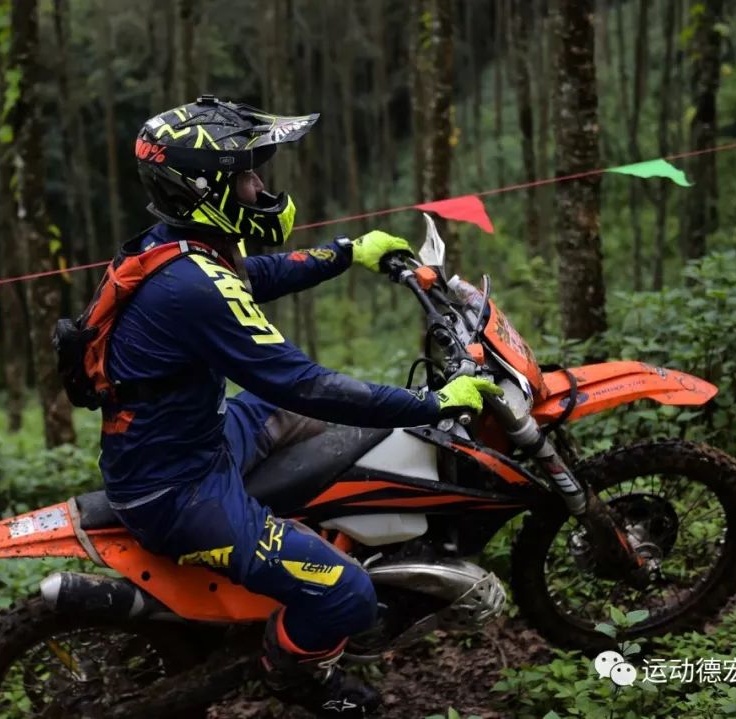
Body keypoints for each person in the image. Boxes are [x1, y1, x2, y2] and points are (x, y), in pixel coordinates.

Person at [93, 97, 501, 717]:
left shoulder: (179, 246)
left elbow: (257, 275)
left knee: (329, 423)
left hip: (193, 439)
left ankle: (324, 530)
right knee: (349, 595)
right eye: (247, 175)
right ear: (208, 188)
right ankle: (296, 676)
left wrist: (346, 252)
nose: (261, 186)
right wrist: (430, 402)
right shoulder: (191, 288)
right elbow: (303, 384)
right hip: (177, 491)